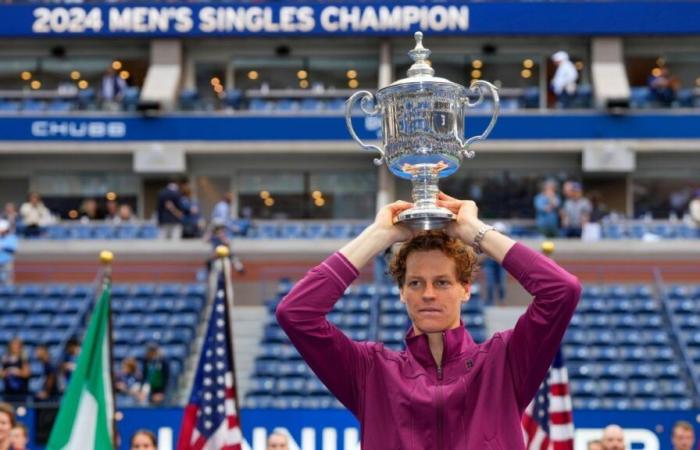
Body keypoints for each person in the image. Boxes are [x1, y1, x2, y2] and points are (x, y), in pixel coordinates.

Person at [275, 192, 581, 449]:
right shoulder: (370, 371)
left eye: (443, 282)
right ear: (402, 293)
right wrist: (379, 235)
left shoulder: (505, 361)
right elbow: (296, 313)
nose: (429, 294)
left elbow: (562, 291)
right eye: (416, 283)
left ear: (465, 289)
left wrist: (475, 231)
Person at [0, 220, 18, 286]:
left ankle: (8, 293)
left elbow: (13, 249)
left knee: (8, 280)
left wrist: (3, 247)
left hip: (6, 261)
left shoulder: (12, 237)